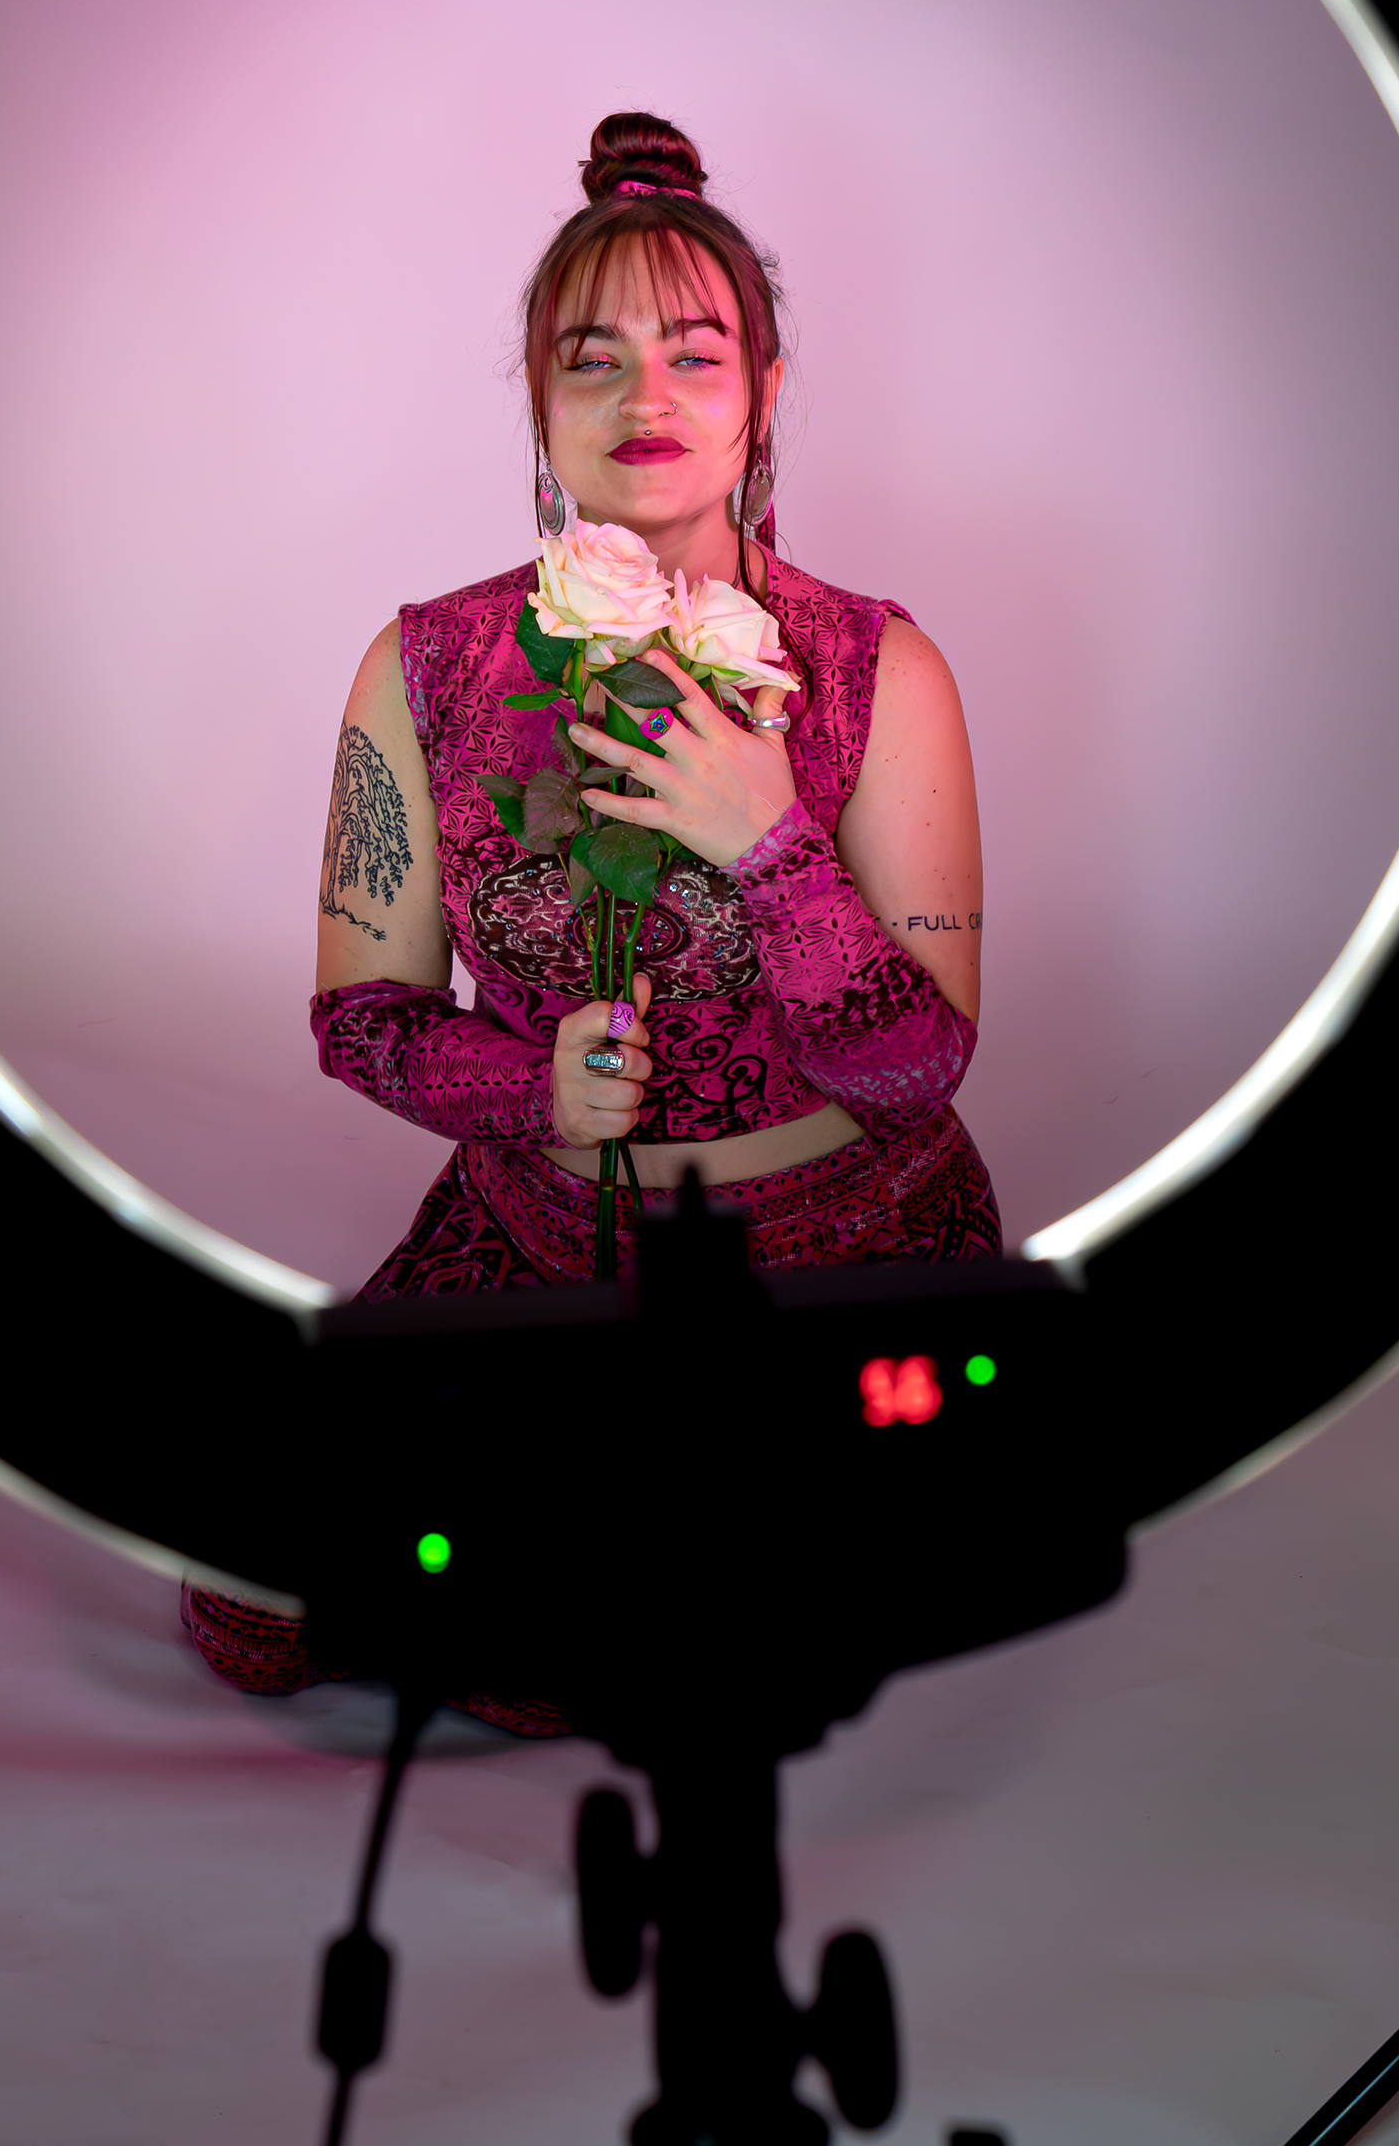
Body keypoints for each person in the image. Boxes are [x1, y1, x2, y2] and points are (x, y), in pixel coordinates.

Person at [184, 110, 995, 1707]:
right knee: (260, 1606)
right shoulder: (426, 664)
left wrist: (771, 842)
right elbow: (360, 1018)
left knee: (590, 1654)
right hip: (539, 1236)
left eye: (696, 356)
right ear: (539, 400)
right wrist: (529, 1088)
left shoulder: (879, 668)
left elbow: (918, 1067)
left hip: (837, 1263)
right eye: (592, 358)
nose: (645, 399)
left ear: (766, 393)